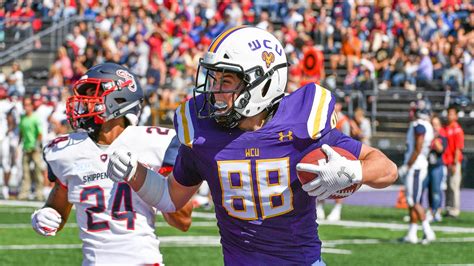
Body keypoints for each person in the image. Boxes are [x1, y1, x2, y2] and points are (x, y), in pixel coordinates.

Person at [107, 26, 398, 265]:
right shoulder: (202, 133)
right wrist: (136, 174)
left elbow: (388, 169)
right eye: (214, 78)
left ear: (263, 82)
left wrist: (353, 171)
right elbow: (172, 199)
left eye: (227, 80)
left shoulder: (302, 124)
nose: (214, 90)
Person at [31, 63, 193, 265]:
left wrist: (143, 178)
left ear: (119, 98)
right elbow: (58, 210)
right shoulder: (66, 151)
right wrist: (46, 215)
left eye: (93, 94)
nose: (84, 103)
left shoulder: (157, 143)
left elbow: (183, 221)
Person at [398, 99, 436, 244]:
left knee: (413, 200)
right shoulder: (425, 125)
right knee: (412, 200)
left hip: (416, 166)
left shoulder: (419, 126)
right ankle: (412, 233)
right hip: (418, 164)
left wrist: (407, 165)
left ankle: (428, 230)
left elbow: (418, 147)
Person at [317, 98, 351, 221]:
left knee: (339, 183)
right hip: (325, 153)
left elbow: (347, 141)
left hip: (339, 154)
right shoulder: (324, 119)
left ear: (340, 106)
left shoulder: (343, 121)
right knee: (322, 181)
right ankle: (319, 206)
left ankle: (337, 208)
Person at [18, 96, 44, 201]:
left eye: (28, 105)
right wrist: (19, 144)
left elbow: (40, 133)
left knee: (38, 170)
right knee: (25, 171)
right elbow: (21, 132)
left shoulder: (35, 118)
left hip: (35, 148)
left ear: (32, 106)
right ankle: (25, 192)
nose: (26, 107)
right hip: (26, 147)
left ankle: (39, 193)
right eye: (25, 105)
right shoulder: (23, 118)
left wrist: (36, 145)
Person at [442, 105, 464, 218]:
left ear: (456, 116)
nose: (448, 116)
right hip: (446, 162)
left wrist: (455, 163)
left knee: (454, 186)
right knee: (447, 187)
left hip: (453, 162)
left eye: (451, 113)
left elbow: (458, 149)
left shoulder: (457, 130)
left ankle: (455, 210)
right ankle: (448, 208)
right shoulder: (446, 128)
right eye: (448, 113)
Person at [424, 115, 447, 222]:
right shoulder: (426, 137)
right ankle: (430, 210)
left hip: (437, 167)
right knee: (428, 190)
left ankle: (437, 211)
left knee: (436, 190)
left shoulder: (442, 137)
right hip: (428, 166)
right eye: (432, 125)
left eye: (436, 125)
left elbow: (440, 149)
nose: (434, 127)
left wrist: (434, 139)